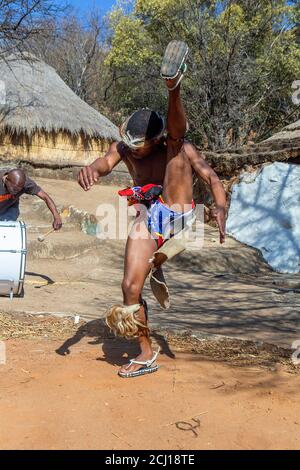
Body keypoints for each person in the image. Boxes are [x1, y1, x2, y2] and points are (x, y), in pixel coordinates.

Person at [78, 41, 227, 378]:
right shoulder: (124, 147)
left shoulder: (175, 145)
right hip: (152, 216)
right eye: (134, 150)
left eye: (145, 149)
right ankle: (146, 354)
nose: (138, 155)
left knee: (177, 153)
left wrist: (219, 207)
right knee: (130, 287)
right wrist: (91, 168)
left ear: (156, 139)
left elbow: (213, 178)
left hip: (179, 211)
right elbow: (104, 162)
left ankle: (173, 87)